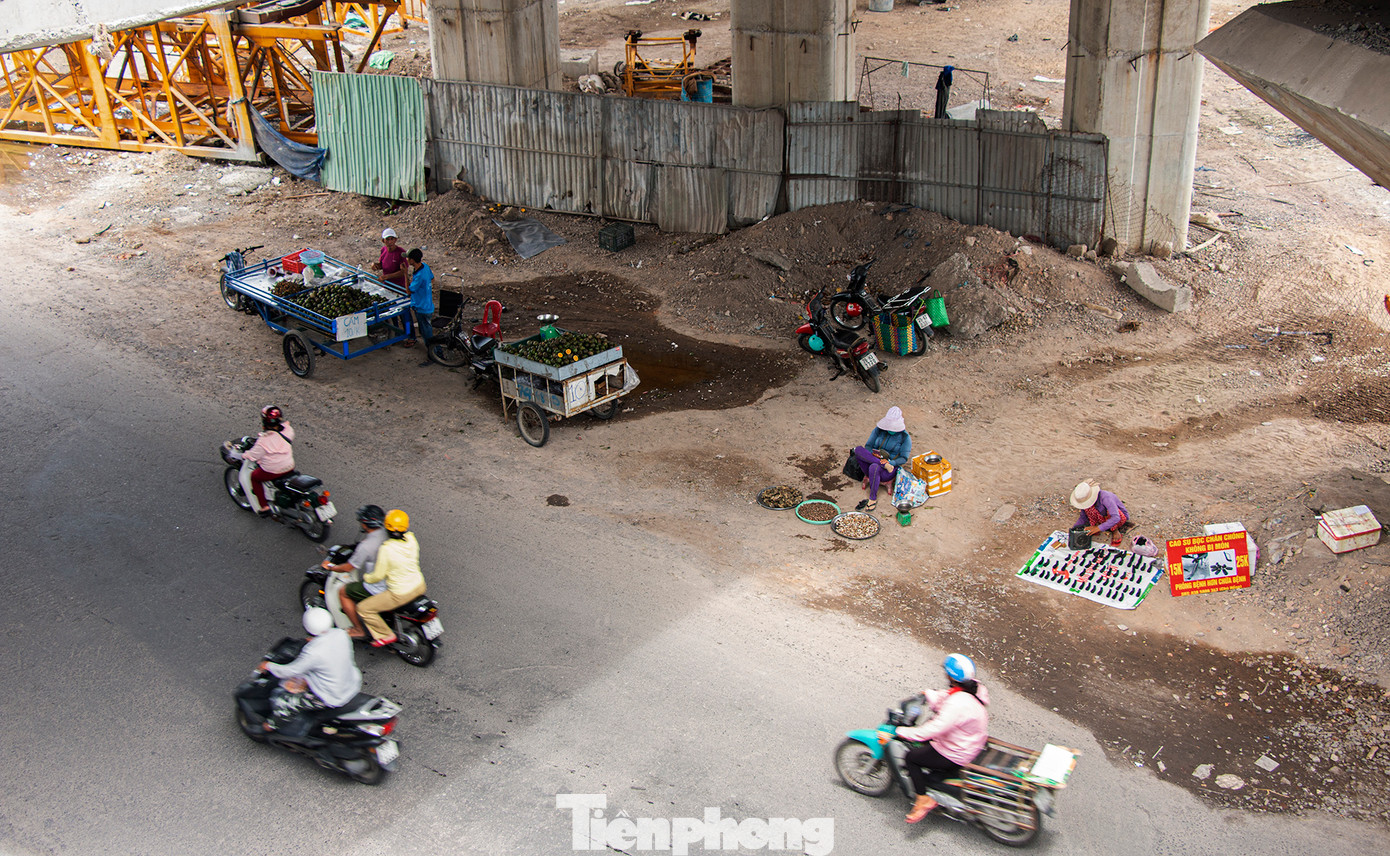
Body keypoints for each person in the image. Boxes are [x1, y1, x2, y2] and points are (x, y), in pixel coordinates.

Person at [881, 653, 990, 823]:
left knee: (912, 758)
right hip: (970, 742)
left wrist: (901, 732)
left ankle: (922, 799)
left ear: (950, 676)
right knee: (924, 745)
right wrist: (928, 694)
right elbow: (948, 696)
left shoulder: (958, 704)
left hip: (957, 752)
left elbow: (933, 729)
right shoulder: (974, 689)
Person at [261, 607, 362, 736]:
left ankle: (270, 727)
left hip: (331, 696)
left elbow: (291, 670)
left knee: (286, 702)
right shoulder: (341, 634)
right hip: (351, 682)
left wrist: (268, 666)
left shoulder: (313, 652)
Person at [358, 509, 427, 647]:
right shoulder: (411, 539)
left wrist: (366, 577)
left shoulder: (386, 549)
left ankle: (385, 634)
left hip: (400, 594)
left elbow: (378, 576)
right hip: (419, 585)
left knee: (363, 608)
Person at [324, 505, 389, 638]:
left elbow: (348, 567)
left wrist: (331, 567)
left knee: (344, 592)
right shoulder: (388, 532)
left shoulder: (366, 546)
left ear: (365, 524)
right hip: (394, 578)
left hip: (380, 586)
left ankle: (358, 629)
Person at [237, 405, 295, 516]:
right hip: (289, 465)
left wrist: (244, 455)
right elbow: (284, 429)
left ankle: (264, 506)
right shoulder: (288, 431)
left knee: (255, 477)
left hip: (273, 470)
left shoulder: (263, 441)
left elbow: (253, 456)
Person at [852, 406, 912, 512]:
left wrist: (891, 462)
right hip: (873, 460)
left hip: (890, 469)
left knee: (874, 467)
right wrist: (876, 456)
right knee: (858, 449)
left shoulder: (905, 437)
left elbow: (903, 458)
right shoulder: (879, 430)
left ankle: (872, 498)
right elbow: (868, 446)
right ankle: (882, 463)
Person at [1070, 479, 1131, 546]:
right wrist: (1074, 529)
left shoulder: (1105, 497)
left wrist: (1098, 528)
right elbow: (1083, 517)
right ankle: (1097, 526)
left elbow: (1116, 517)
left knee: (1110, 513)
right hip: (1101, 517)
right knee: (1088, 509)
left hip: (1118, 517)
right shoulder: (1088, 505)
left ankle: (1115, 531)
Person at [404, 247, 435, 360]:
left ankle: (435, 355)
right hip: (428, 305)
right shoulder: (425, 267)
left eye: (408, 258)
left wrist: (405, 274)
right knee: (425, 330)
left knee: (427, 334)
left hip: (422, 308)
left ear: (412, 260)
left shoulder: (419, 276)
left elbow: (409, 291)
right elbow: (432, 279)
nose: (407, 260)